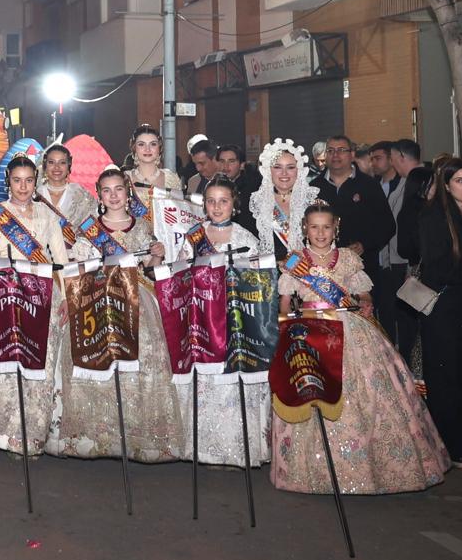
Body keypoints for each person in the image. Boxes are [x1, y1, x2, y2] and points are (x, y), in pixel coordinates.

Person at [272, 203, 449, 494]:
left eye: (326, 227)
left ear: (336, 228)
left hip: (348, 328)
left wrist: (366, 303)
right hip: (310, 331)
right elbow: (285, 301)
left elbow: (363, 292)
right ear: (305, 228)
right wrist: (285, 329)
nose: (320, 233)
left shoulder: (348, 259)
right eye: (314, 227)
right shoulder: (295, 262)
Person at [47, 167, 185, 463]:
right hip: (99, 298)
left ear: (127, 192)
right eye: (107, 190)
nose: (113, 195)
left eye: (118, 189)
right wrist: (71, 301)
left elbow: (151, 266)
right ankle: (97, 433)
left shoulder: (142, 227)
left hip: (137, 301)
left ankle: (137, 434)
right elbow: (80, 268)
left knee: (142, 354)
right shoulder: (90, 229)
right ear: (99, 195)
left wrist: (158, 254)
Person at [172, 180, 270, 468]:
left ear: (234, 204)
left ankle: (237, 447)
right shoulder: (193, 237)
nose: (216, 207)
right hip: (202, 319)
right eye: (211, 201)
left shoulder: (245, 239)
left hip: (233, 320)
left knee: (232, 380)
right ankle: (202, 447)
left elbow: (258, 282)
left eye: (223, 201)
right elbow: (182, 274)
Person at [0, 156, 69, 456]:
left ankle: (35, 434)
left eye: (28, 180)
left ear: (36, 181)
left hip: (44, 298)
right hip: (9, 298)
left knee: (41, 368)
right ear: (9, 181)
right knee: (10, 367)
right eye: (17, 180)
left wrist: (67, 299)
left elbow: (61, 261)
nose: (22, 186)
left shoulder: (47, 215)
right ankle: (9, 434)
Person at [418, 162, 462, 464]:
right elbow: (434, 267)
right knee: (448, 375)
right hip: (445, 306)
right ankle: (452, 445)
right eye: (460, 180)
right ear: (446, 186)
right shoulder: (435, 217)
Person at [316, 134, 396, 294]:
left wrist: (365, 244)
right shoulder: (314, 187)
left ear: (352, 155)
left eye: (341, 150)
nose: (335, 155)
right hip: (324, 269)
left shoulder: (369, 185)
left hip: (363, 268)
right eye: (330, 150)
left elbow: (387, 225)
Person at [391, 138, 434, 359]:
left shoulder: (418, 183)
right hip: (416, 266)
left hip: (419, 268)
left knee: (416, 326)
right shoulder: (404, 182)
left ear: (401, 156)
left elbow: (408, 241)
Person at [248, 138, 315, 258]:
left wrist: (291, 265)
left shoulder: (312, 202)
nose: (284, 173)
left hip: (306, 270)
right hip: (268, 273)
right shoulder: (257, 203)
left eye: (290, 167)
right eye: (277, 167)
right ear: (268, 170)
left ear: (299, 170)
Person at [36, 143, 97, 244]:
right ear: (45, 166)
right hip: (40, 256)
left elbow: (91, 226)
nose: (56, 167)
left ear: (69, 165)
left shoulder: (81, 195)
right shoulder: (35, 195)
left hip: (73, 256)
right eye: (51, 162)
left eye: (62, 162)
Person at [125, 123, 182, 214]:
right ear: (134, 148)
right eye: (141, 144)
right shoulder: (125, 179)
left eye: (153, 144)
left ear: (159, 148)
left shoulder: (171, 178)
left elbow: (179, 212)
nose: (147, 149)